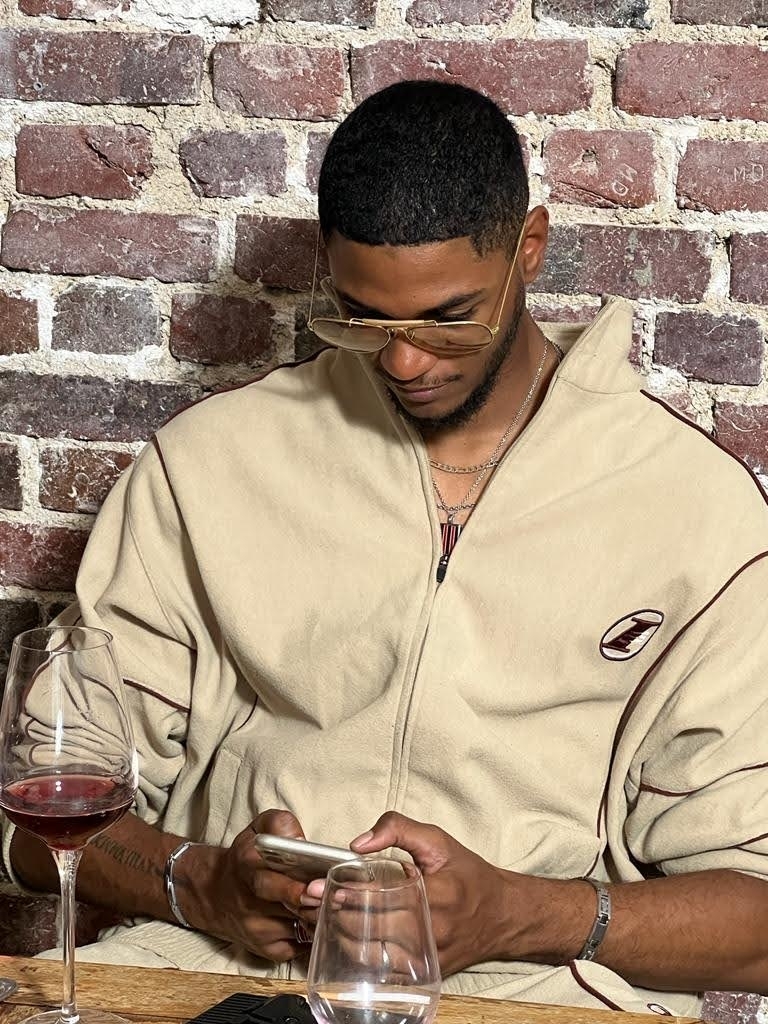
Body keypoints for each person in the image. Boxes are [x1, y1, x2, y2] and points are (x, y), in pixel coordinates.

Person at [4, 80, 768, 1015]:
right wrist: (199, 884)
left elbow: (759, 921)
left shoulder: (696, 511)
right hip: (212, 972)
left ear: (529, 249)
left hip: (528, 992)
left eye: (448, 318)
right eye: (364, 316)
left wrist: (523, 917)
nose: (404, 361)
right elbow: (34, 812)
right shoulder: (208, 465)